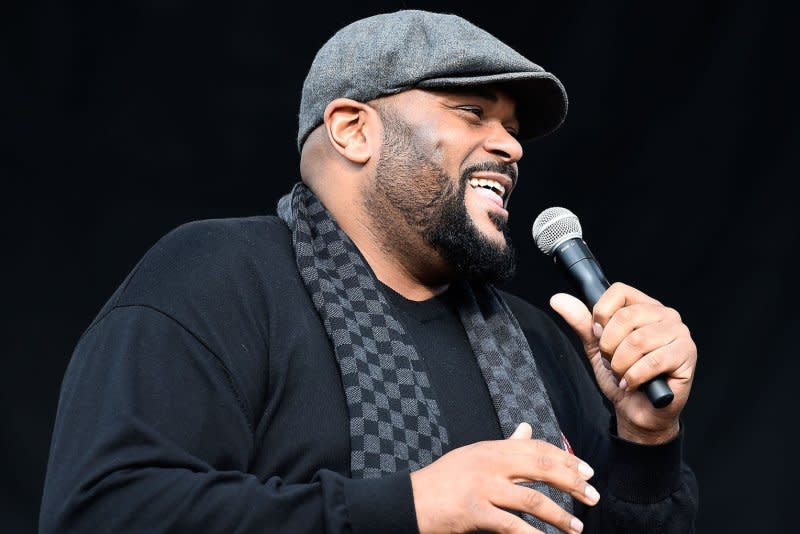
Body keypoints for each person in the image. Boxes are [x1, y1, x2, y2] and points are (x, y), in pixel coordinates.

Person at [39, 9, 698, 534]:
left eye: (513, 127)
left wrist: (647, 437)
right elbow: (104, 513)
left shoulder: (538, 342)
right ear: (353, 130)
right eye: (471, 112)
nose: (511, 146)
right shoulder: (219, 277)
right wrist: (408, 508)